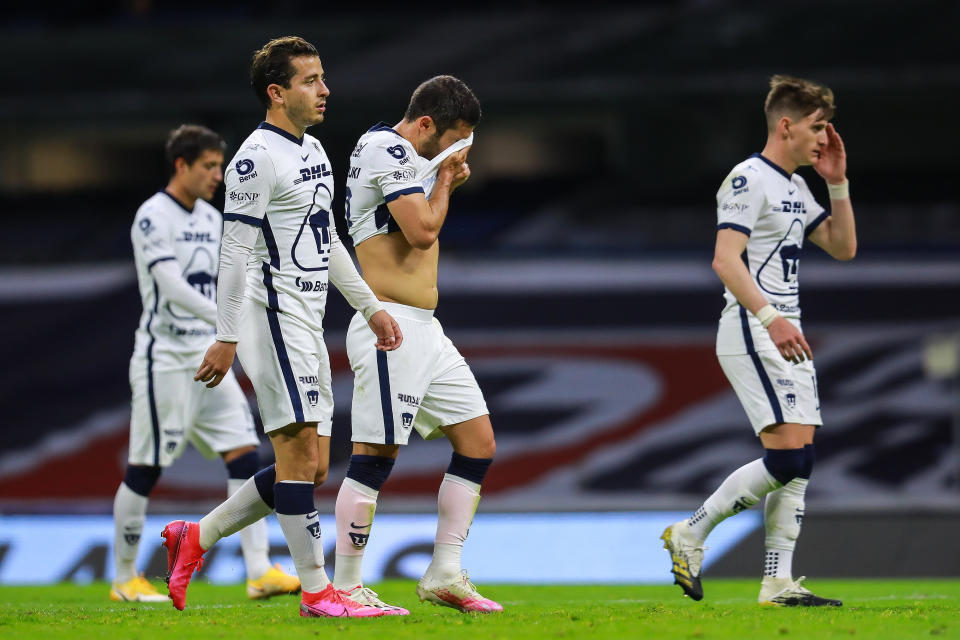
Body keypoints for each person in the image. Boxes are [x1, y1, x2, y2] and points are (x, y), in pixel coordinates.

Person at [160, 36, 402, 618]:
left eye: (322, 78)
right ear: (277, 92)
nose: (325, 90)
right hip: (272, 319)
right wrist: (226, 334)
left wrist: (370, 306)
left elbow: (329, 243)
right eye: (311, 80)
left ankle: (194, 538)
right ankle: (319, 594)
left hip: (309, 321)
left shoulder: (314, 151)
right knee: (296, 461)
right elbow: (234, 250)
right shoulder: (255, 158)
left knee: (314, 466)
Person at [661, 75, 856, 607]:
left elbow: (843, 247)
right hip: (755, 328)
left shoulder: (796, 186)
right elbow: (726, 260)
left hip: (787, 331)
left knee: (803, 460)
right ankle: (691, 532)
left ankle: (777, 581)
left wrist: (836, 182)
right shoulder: (749, 178)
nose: (824, 138)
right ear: (786, 124)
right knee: (787, 461)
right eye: (818, 127)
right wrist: (770, 317)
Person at [332, 75, 501, 614]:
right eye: (452, 139)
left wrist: (441, 171)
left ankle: (445, 572)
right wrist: (447, 179)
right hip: (390, 324)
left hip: (426, 328)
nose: (456, 151)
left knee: (478, 441)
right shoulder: (384, 149)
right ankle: (346, 584)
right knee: (375, 454)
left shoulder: (400, 154)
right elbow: (423, 231)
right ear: (425, 123)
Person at [114, 124, 299, 603]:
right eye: (209, 166)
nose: (218, 175)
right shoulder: (153, 216)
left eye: (220, 166)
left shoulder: (213, 220)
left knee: (245, 453)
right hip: (167, 360)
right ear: (182, 165)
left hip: (208, 356)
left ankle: (258, 570)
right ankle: (123, 578)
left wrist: (231, 319)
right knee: (146, 465)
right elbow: (171, 285)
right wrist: (226, 319)